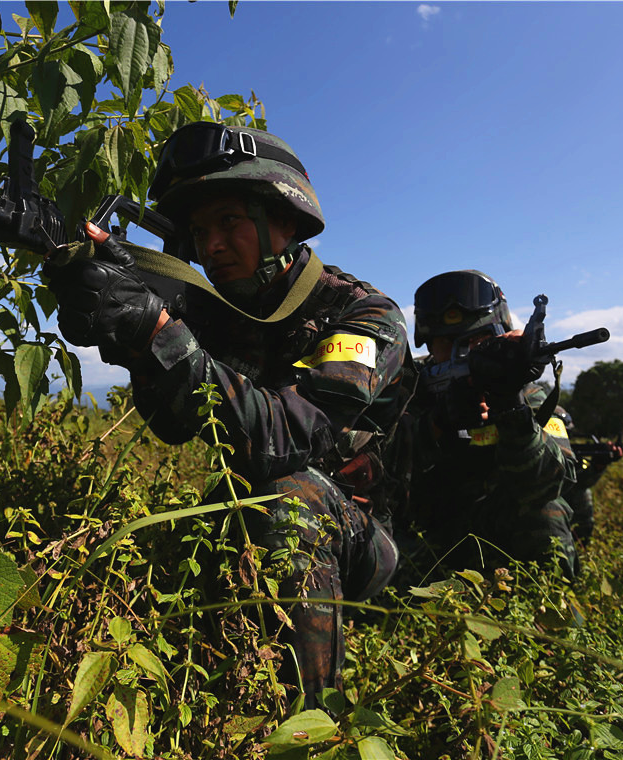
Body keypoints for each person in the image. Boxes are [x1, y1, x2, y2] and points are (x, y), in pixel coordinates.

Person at [48, 122, 414, 709]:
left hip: (361, 539)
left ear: (286, 220)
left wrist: (159, 333)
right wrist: (132, 335)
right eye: (199, 232)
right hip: (244, 518)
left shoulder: (364, 317)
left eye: (229, 221)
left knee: (289, 496)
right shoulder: (216, 310)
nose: (211, 245)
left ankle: (312, 727)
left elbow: (289, 436)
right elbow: (173, 426)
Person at [405, 270, 580, 578]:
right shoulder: (410, 389)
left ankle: (547, 603)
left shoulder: (529, 395)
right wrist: (438, 423)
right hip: (428, 527)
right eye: (449, 343)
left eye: (478, 340)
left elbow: (552, 482)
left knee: (547, 513)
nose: (467, 353)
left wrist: (511, 408)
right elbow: (381, 466)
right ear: (429, 346)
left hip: (498, 523)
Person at [554, 406, 623, 541]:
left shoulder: (569, 456)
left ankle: (578, 540)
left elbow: (579, 482)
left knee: (582, 494)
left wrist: (598, 466)